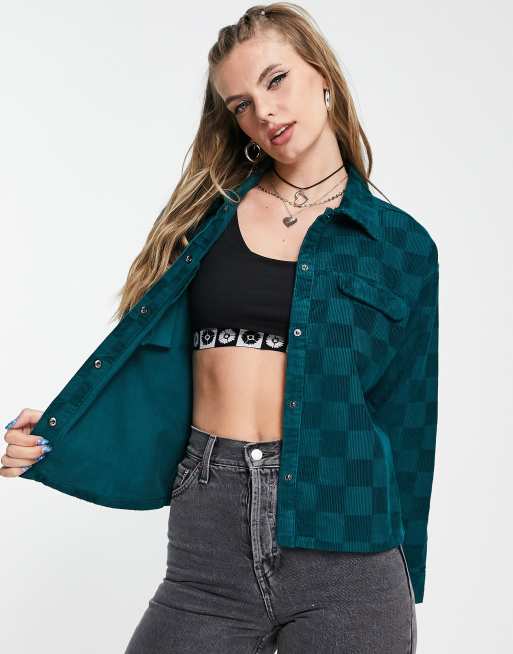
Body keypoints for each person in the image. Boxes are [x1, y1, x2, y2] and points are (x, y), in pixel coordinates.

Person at [2, 3, 440, 652]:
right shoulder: (207, 222)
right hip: (209, 537)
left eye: (275, 80)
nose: (264, 112)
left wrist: (407, 579)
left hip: (348, 547)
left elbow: (408, 420)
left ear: (322, 77)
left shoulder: (402, 246)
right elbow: (152, 363)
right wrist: (68, 430)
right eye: (241, 104)